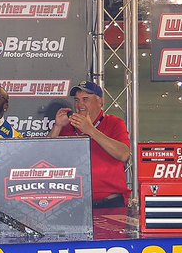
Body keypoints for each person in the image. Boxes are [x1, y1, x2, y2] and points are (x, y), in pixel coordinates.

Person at [50, 80, 131, 208]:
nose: (80, 104)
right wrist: (57, 127)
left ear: (100, 101)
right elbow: (45, 158)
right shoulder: (68, 126)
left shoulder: (114, 123)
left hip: (109, 202)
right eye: (77, 100)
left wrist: (91, 130)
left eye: (85, 99)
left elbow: (124, 154)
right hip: (74, 202)